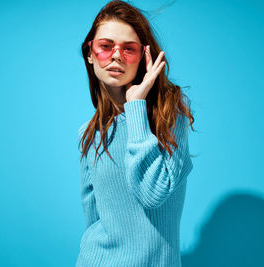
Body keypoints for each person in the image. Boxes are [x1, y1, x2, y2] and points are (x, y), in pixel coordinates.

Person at [76, 0, 195, 266]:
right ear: (90, 53)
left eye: (128, 49)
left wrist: (135, 108)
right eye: (106, 47)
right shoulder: (90, 133)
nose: (117, 56)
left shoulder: (168, 113)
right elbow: (93, 218)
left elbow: (152, 194)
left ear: (143, 55)